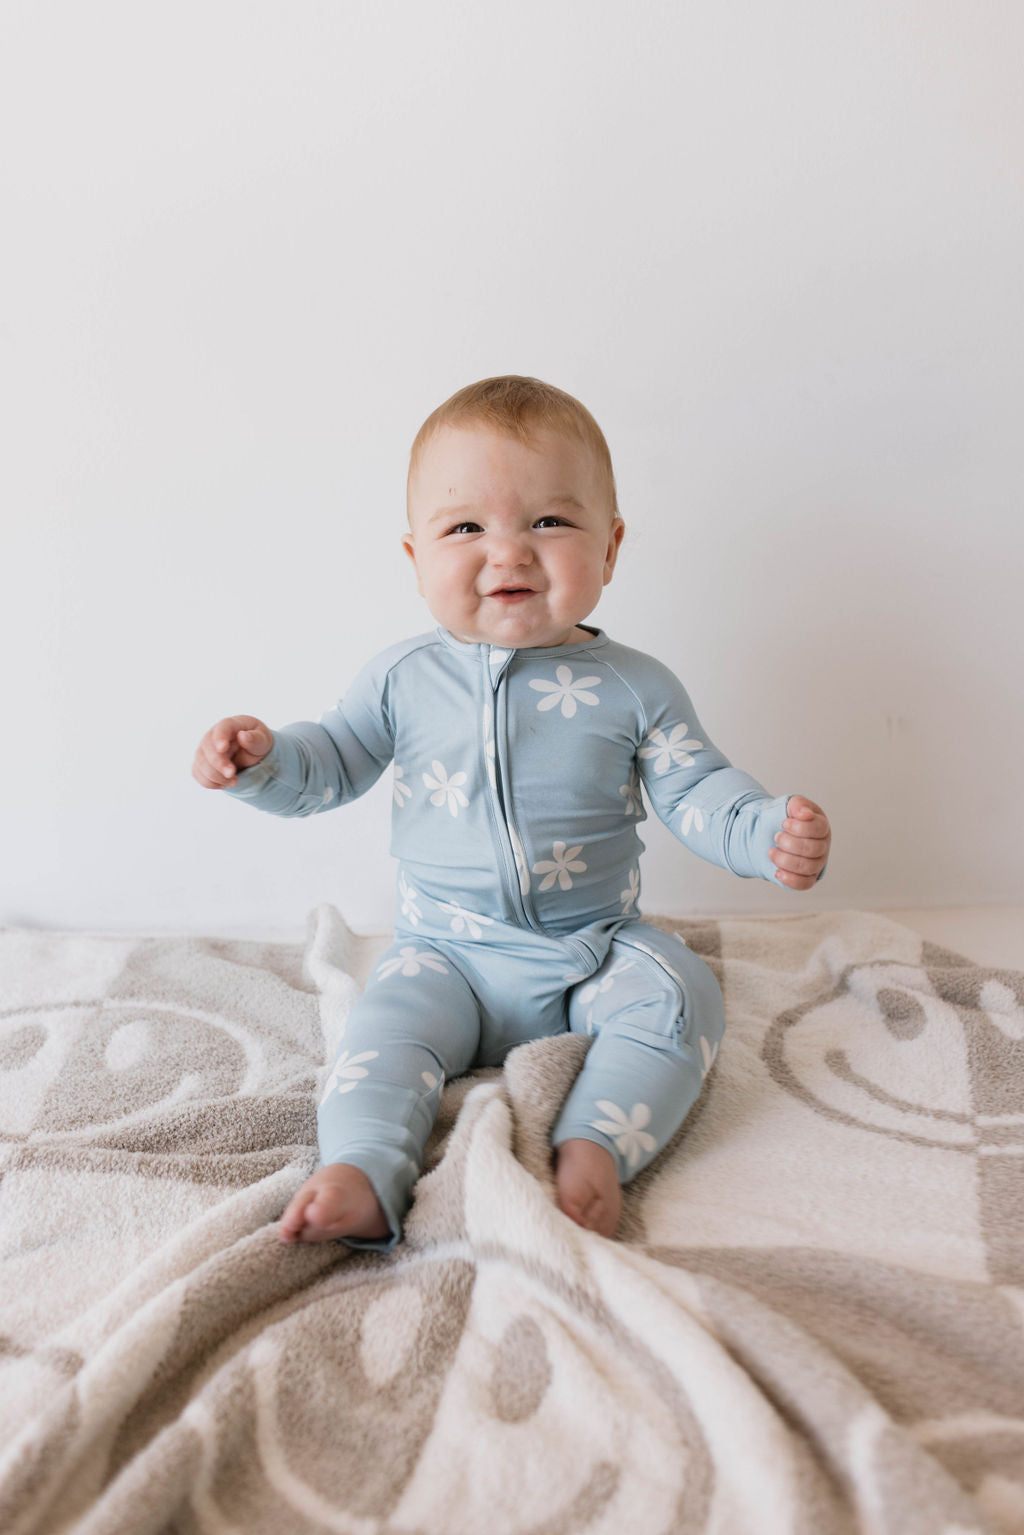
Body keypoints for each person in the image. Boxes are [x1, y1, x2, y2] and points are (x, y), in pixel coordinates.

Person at [192, 375, 831, 1250]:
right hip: (444, 954)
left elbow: (695, 789)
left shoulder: (636, 687)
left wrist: (762, 831)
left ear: (609, 548)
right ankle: (362, 1168)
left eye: (548, 522)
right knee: (382, 1034)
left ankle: (598, 1145)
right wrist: (264, 763)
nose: (509, 553)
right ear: (415, 558)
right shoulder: (400, 680)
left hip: (593, 949)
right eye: (465, 528)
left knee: (683, 996)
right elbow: (331, 761)